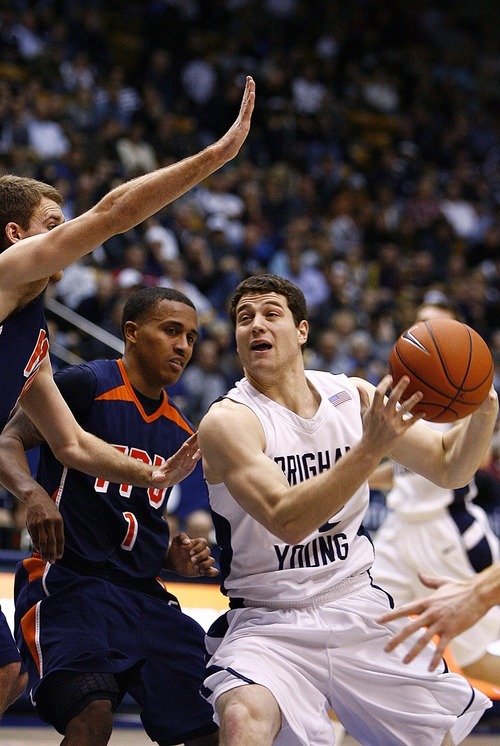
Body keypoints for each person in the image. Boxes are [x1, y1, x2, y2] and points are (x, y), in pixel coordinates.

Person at [0, 75, 254, 715]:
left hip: (137, 591)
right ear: (15, 236)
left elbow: (74, 445)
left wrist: (154, 470)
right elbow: (114, 214)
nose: (70, 234)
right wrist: (215, 158)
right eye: (53, 225)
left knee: (4, 675)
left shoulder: (33, 341)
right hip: (78, 586)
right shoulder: (3, 275)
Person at [197, 274, 498, 746]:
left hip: (354, 602)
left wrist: (483, 409)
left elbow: (449, 467)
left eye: (271, 314)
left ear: (301, 330)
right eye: (244, 318)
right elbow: (287, 519)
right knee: (242, 720)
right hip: (269, 619)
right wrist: (370, 448)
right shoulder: (228, 420)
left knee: (436, 738)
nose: (256, 324)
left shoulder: (352, 396)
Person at [0, 286, 219, 745]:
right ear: (133, 333)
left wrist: (170, 556)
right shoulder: (86, 384)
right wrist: (33, 492)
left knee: (219, 720)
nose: (183, 346)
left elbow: (133, 522)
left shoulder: (181, 428)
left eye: (192, 338)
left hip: (144, 595)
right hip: (70, 583)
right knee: (91, 718)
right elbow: (6, 440)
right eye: (172, 331)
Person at [369, 301, 500, 685]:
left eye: (434, 325)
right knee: (364, 627)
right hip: (397, 531)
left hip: (446, 533)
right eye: (420, 323)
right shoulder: (408, 398)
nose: (425, 330)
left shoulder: (460, 396)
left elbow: (459, 466)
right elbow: (403, 472)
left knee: (474, 659)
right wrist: (354, 475)